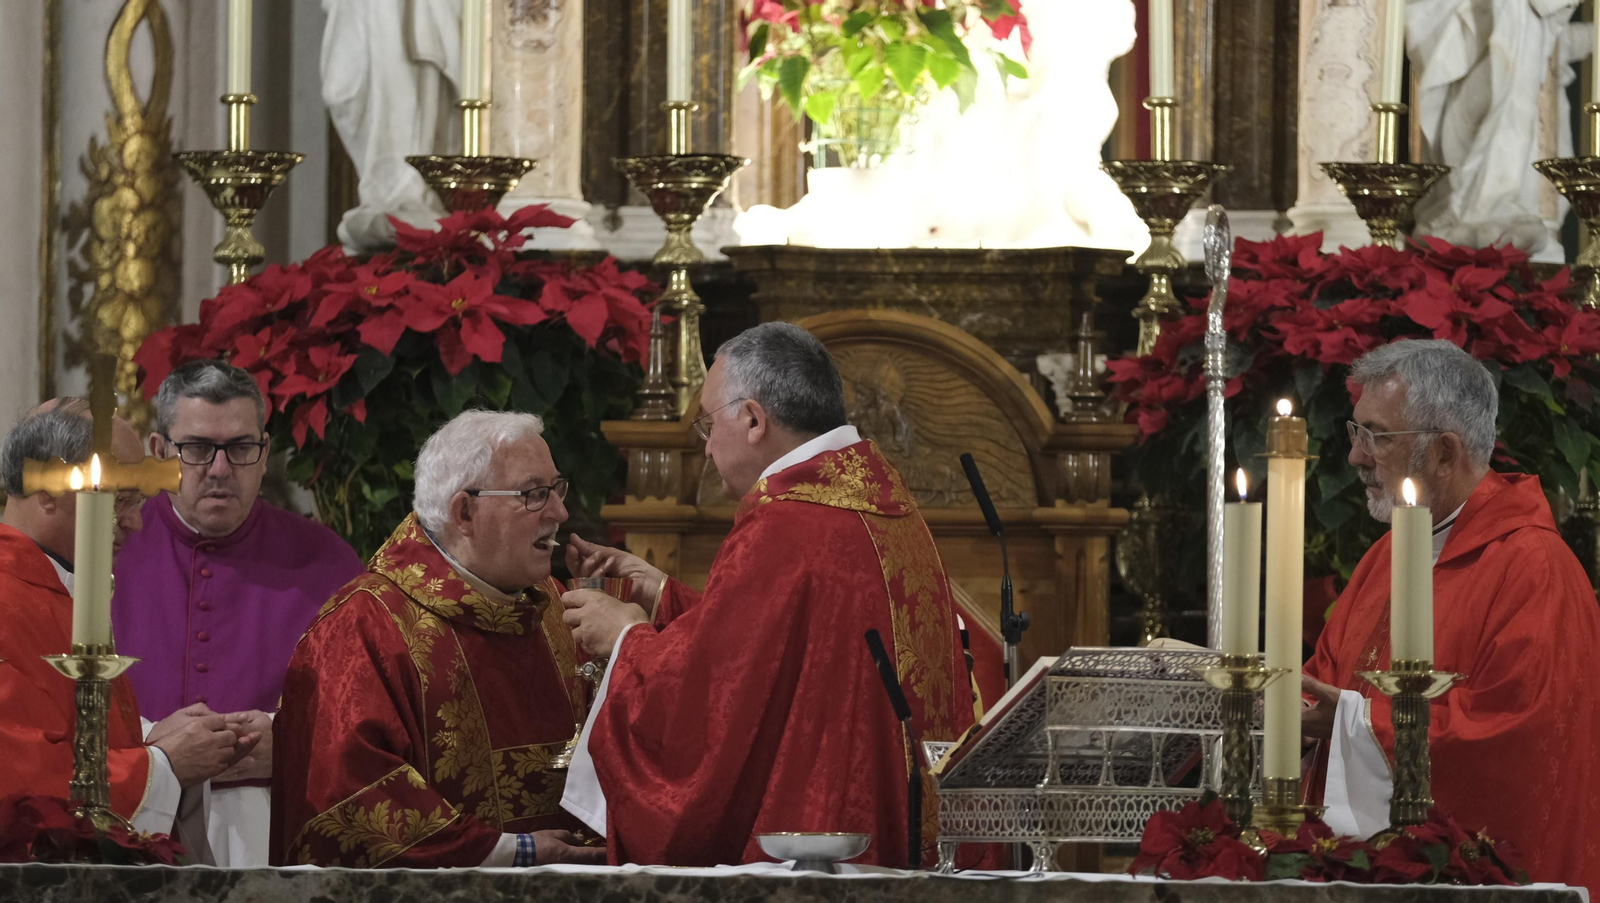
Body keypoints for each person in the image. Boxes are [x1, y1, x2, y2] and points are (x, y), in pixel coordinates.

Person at [560, 322, 973, 867]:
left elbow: (710, 699)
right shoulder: (877, 500)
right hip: (893, 817)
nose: (706, 451)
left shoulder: (785, 522)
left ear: (754, 419)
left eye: (708, 425)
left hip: (821, 842)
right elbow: (780, 649)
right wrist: (663, 593)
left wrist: (626, 638)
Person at [1301, 339, 1600, 891]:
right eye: (1356, 431)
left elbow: (1516, 739)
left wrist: (1352, 720)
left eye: (1378, 436)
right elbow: (1326, 682)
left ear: (1444, 452)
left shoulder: (1533, 569)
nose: (1356, 457)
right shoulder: (1385, 558)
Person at [271, 411, 604, 868]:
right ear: (464, 511)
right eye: (534, 494)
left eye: (557, 488)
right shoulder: (363, 628)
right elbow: (350, 797)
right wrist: (514, 853)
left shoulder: (552, 608)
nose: (560, 512)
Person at [112, 360, 363, 866]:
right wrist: (155, 749)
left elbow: (372, 716)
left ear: (265, 452)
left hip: (276, 834)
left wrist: (296, 746)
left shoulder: (327, 560)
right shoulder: (109, 546)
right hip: (129, 827)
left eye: (241, 448)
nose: (221, 470)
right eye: (198, 449)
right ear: (159, 452)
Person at [0, 399, 259, 844]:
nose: (137, 523)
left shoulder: (55, 589)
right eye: (118, 499)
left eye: (137, 501)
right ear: (44, 490)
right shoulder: (9, 600)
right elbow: (20, 781)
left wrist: (153, 736)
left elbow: (66, 731)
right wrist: (164, 763)